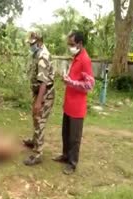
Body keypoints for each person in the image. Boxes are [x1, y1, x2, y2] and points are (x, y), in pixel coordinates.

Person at [52, 31, 95, 175]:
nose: (70, 46)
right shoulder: (75, 57)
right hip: (69, 104)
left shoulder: (85, 60)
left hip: (77, 107)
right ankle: (65, 156)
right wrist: (67, 78)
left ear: (80, 44)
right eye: (69, 44)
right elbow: (75, 78)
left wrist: (70, 82)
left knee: (74, 137)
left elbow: (89, 85)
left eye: (72, 44)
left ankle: (72, 162)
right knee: (66, 133)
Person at [23, 32, 56, 166]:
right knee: (35, 117)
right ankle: (35, 141)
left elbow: (43, 81)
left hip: (45, 93)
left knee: (40, 120)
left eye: (32, 44)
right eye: (30, 44)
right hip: (39, 92)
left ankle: (38, 153)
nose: (30, 46)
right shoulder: (37, 53)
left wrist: (38, 101)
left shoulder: (43, 56)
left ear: (39, 42)